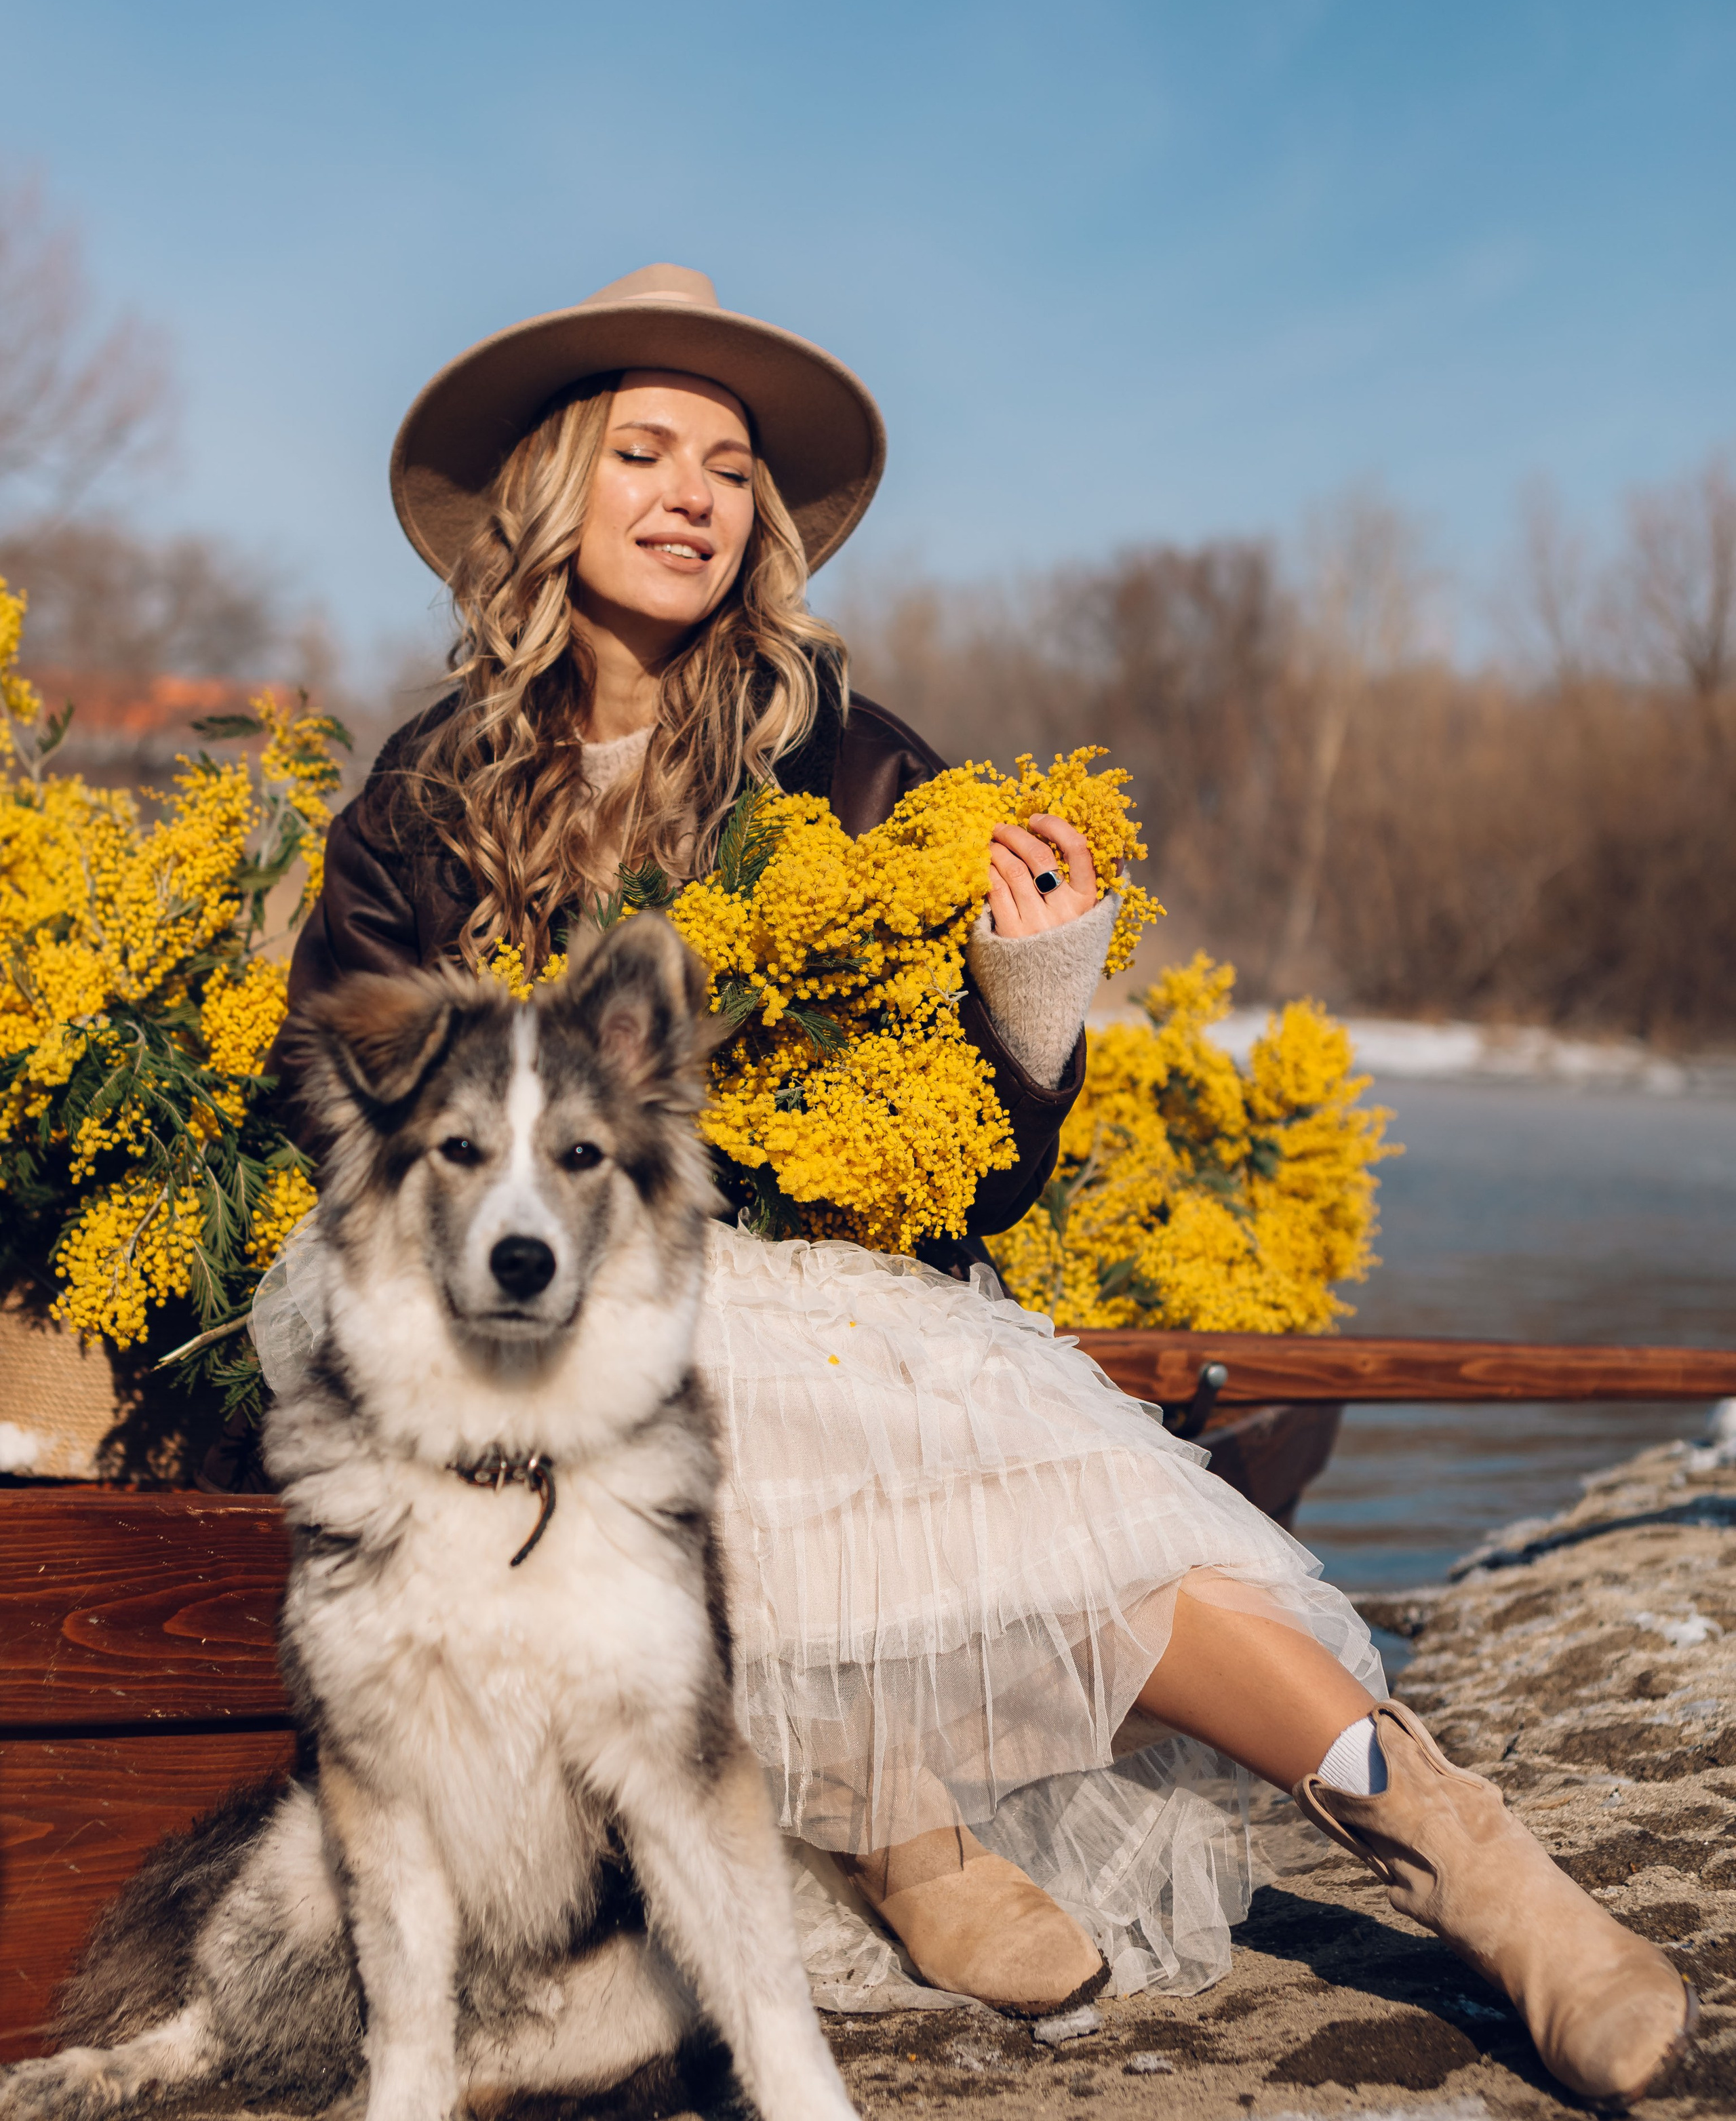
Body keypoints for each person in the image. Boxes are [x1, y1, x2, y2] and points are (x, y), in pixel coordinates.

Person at [262, 266, 1689, 2107]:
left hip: (835, 1294)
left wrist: (1034, 996)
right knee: (699, 1364)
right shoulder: (420, 802)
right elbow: (352, 1112)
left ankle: (1471, 1859)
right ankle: (900, 1828)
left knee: (1051, 1461)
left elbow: (984, 1178)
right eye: (645, 450)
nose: (694, 492)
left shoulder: (849, 764)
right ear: (553, 489)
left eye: (728, 464)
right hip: (538, 1316)